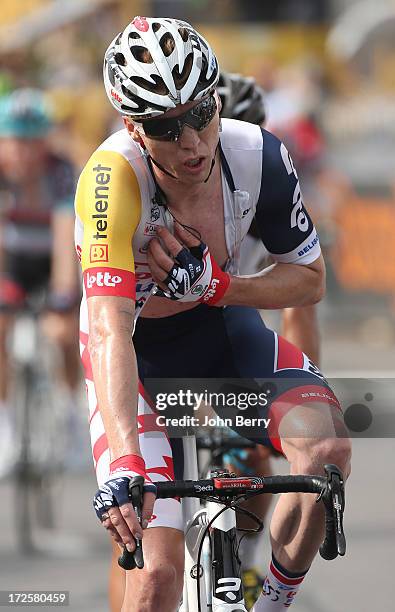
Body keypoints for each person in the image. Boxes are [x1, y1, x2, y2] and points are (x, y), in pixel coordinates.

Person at [75, 17, 351, 612]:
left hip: (223, 338)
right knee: (154, 578)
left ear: (216, 100)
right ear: (133, 128)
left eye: (201, 114)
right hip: (137, 358)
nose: (192, 141)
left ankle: (267, 603)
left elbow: (310, 280)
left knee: (325, 453)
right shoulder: (109, 181)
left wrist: (218, 287)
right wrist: (125, 463)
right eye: (165, 128)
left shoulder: (259, 156)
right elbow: (107, 329)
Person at [0, 88, 82, 475]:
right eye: (16, 142)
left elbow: (67, 231)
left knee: (64, 333)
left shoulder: (61, 171)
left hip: (53, 258)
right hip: (13, 262)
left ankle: (69, 414)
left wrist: (64, 295)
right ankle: (6, 426)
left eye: (33, 142)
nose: (25, 153)